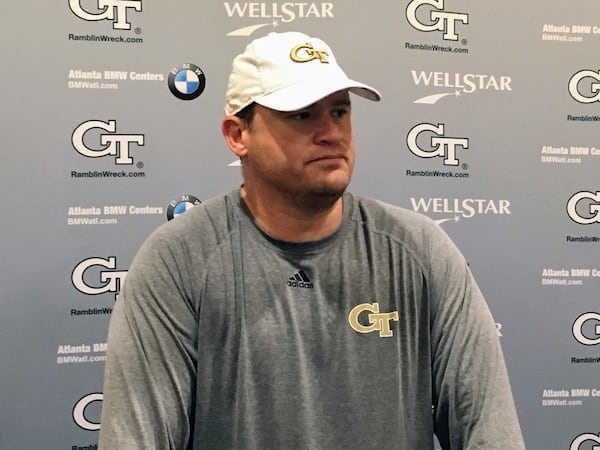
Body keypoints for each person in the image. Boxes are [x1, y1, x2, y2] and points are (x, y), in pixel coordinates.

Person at [98, 31, 525, 449]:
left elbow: (489, 432)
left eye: (339, 112)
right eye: (302, 114)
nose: (330, 132)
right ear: (237, 135)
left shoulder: (420, 249)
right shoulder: (179, 258)